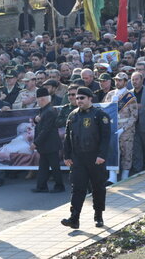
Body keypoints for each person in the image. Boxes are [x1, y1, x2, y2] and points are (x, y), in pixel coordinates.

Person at [61, 87, 111, 230]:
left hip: (95, 158)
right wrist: (67, 155)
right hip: (78, 158)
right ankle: (74, 218)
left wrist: (102, 155)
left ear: (90, 98)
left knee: (98, 188)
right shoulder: (72, 115)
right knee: (77, 188)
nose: (79, 101)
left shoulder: (100, 115)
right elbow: (67, 137)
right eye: (77, 98)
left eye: (82, 98)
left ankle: (98, 216)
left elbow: (106, 138)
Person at [103, 72, 138, 182]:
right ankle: (112, 175)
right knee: (112, 151)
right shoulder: (110, 94)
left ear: (125, 82)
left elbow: (134, 115)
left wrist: (123, 129)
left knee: (126, 151)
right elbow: (104, 110)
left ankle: (125, 174)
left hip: (126, 128)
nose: (117, 82)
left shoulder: (130, 96)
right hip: (112, 127)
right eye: (116, 80)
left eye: (120, 80)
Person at [31, 88, 64, 193]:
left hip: (50, 144)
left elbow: (46, 130)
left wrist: (36, 143)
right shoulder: (45, 110)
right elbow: (41, 125)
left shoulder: (49, 111)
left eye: (38, 99)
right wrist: (35, 120)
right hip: (46, 144)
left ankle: (59, 186)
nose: (37, 101)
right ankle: (41, 186)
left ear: (42, 99)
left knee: (55, 167)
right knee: (43, 166)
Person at [129, 72, 145, 173]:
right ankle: (137, 168)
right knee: (136, 149)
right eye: (132, 80)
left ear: (142, 80)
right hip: (133, 126)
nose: (134, 82)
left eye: (136, 79)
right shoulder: (128, 94)